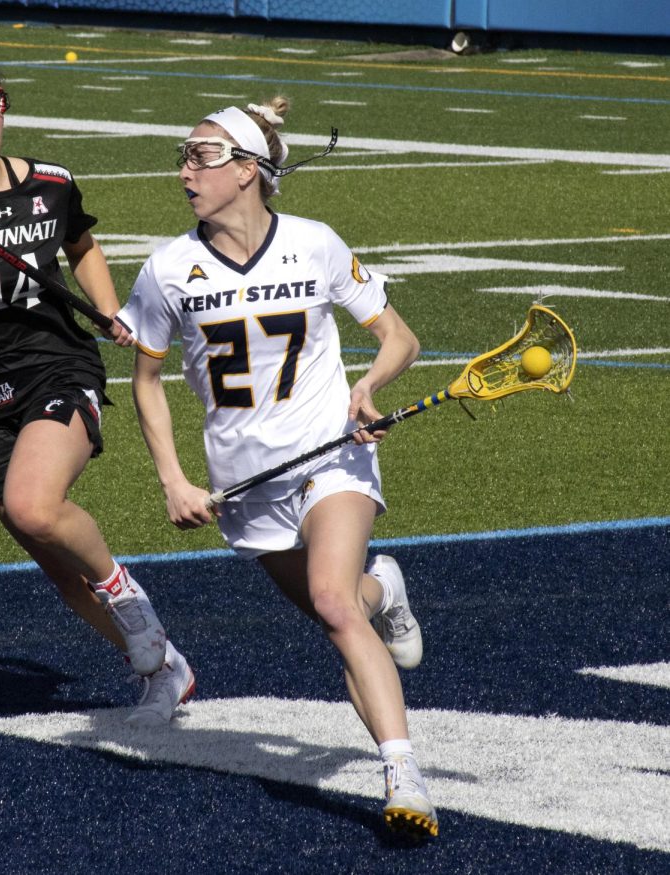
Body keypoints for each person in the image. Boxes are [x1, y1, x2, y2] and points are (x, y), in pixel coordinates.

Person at [120, 98, 438, 836]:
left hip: (333, 455)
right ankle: (384, 587)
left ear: (247, 170)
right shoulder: (168, 269)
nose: (185, 171)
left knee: (331, 602)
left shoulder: (315, 243)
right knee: (346, 607)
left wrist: (368, 387)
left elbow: (400, 337)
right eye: (185, 154)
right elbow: (145, 381)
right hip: (244, 484)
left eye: (201, 155)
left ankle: (404, 776)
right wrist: (172, 477)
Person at [0, 50, 194, 726]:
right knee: (57, 566)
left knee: (32, 505)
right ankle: (163, 666)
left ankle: (131, 601)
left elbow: (81, 245)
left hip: (58, 366)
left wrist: (111, 308)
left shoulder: (52, 181)